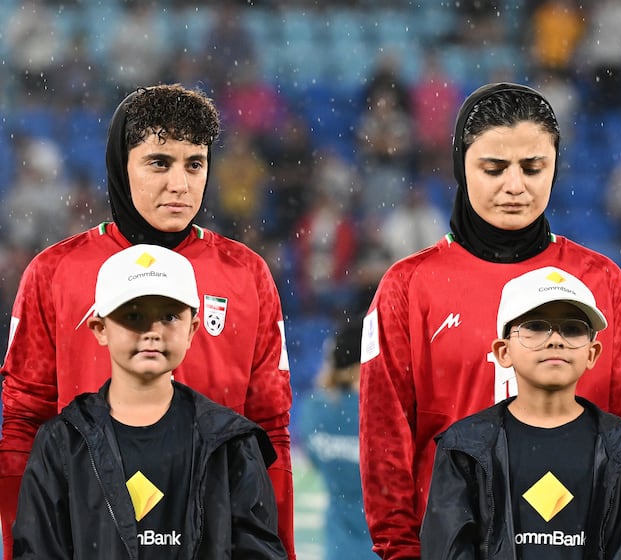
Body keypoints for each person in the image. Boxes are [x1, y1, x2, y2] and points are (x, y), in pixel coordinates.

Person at [0, 84, 295, 559]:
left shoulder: (247, 274)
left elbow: (270, 431)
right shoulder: (54, 272)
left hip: (213, 535)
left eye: (194, 164)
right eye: (160, 162)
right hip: (89, 536)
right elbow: (23, 424)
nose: (180, 183)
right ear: (122, 163)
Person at [359, 82, 621, 560]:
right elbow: (384, 447)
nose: (515, 186)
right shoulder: (406, 286)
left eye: (534, 167)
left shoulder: (601, 281)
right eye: (493, 168)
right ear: (460, 166)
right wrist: (401, 553)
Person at [12, 244, 287, 559]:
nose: (152, 331)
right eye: (133, 316)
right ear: (100, 329)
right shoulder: (62, 443)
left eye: (169, 316)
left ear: (192, 329)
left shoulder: (230, 443)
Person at [421, 266, 621, 558]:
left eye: (572, 329)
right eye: (535, 326)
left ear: (592, 353)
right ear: (502, 351)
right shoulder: (464, 447)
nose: (555, 339)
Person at [294, 321, 378, 559]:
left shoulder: (314, 409)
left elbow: (314, 462)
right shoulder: (386, 415)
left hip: (338, 548)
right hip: (384, 548)